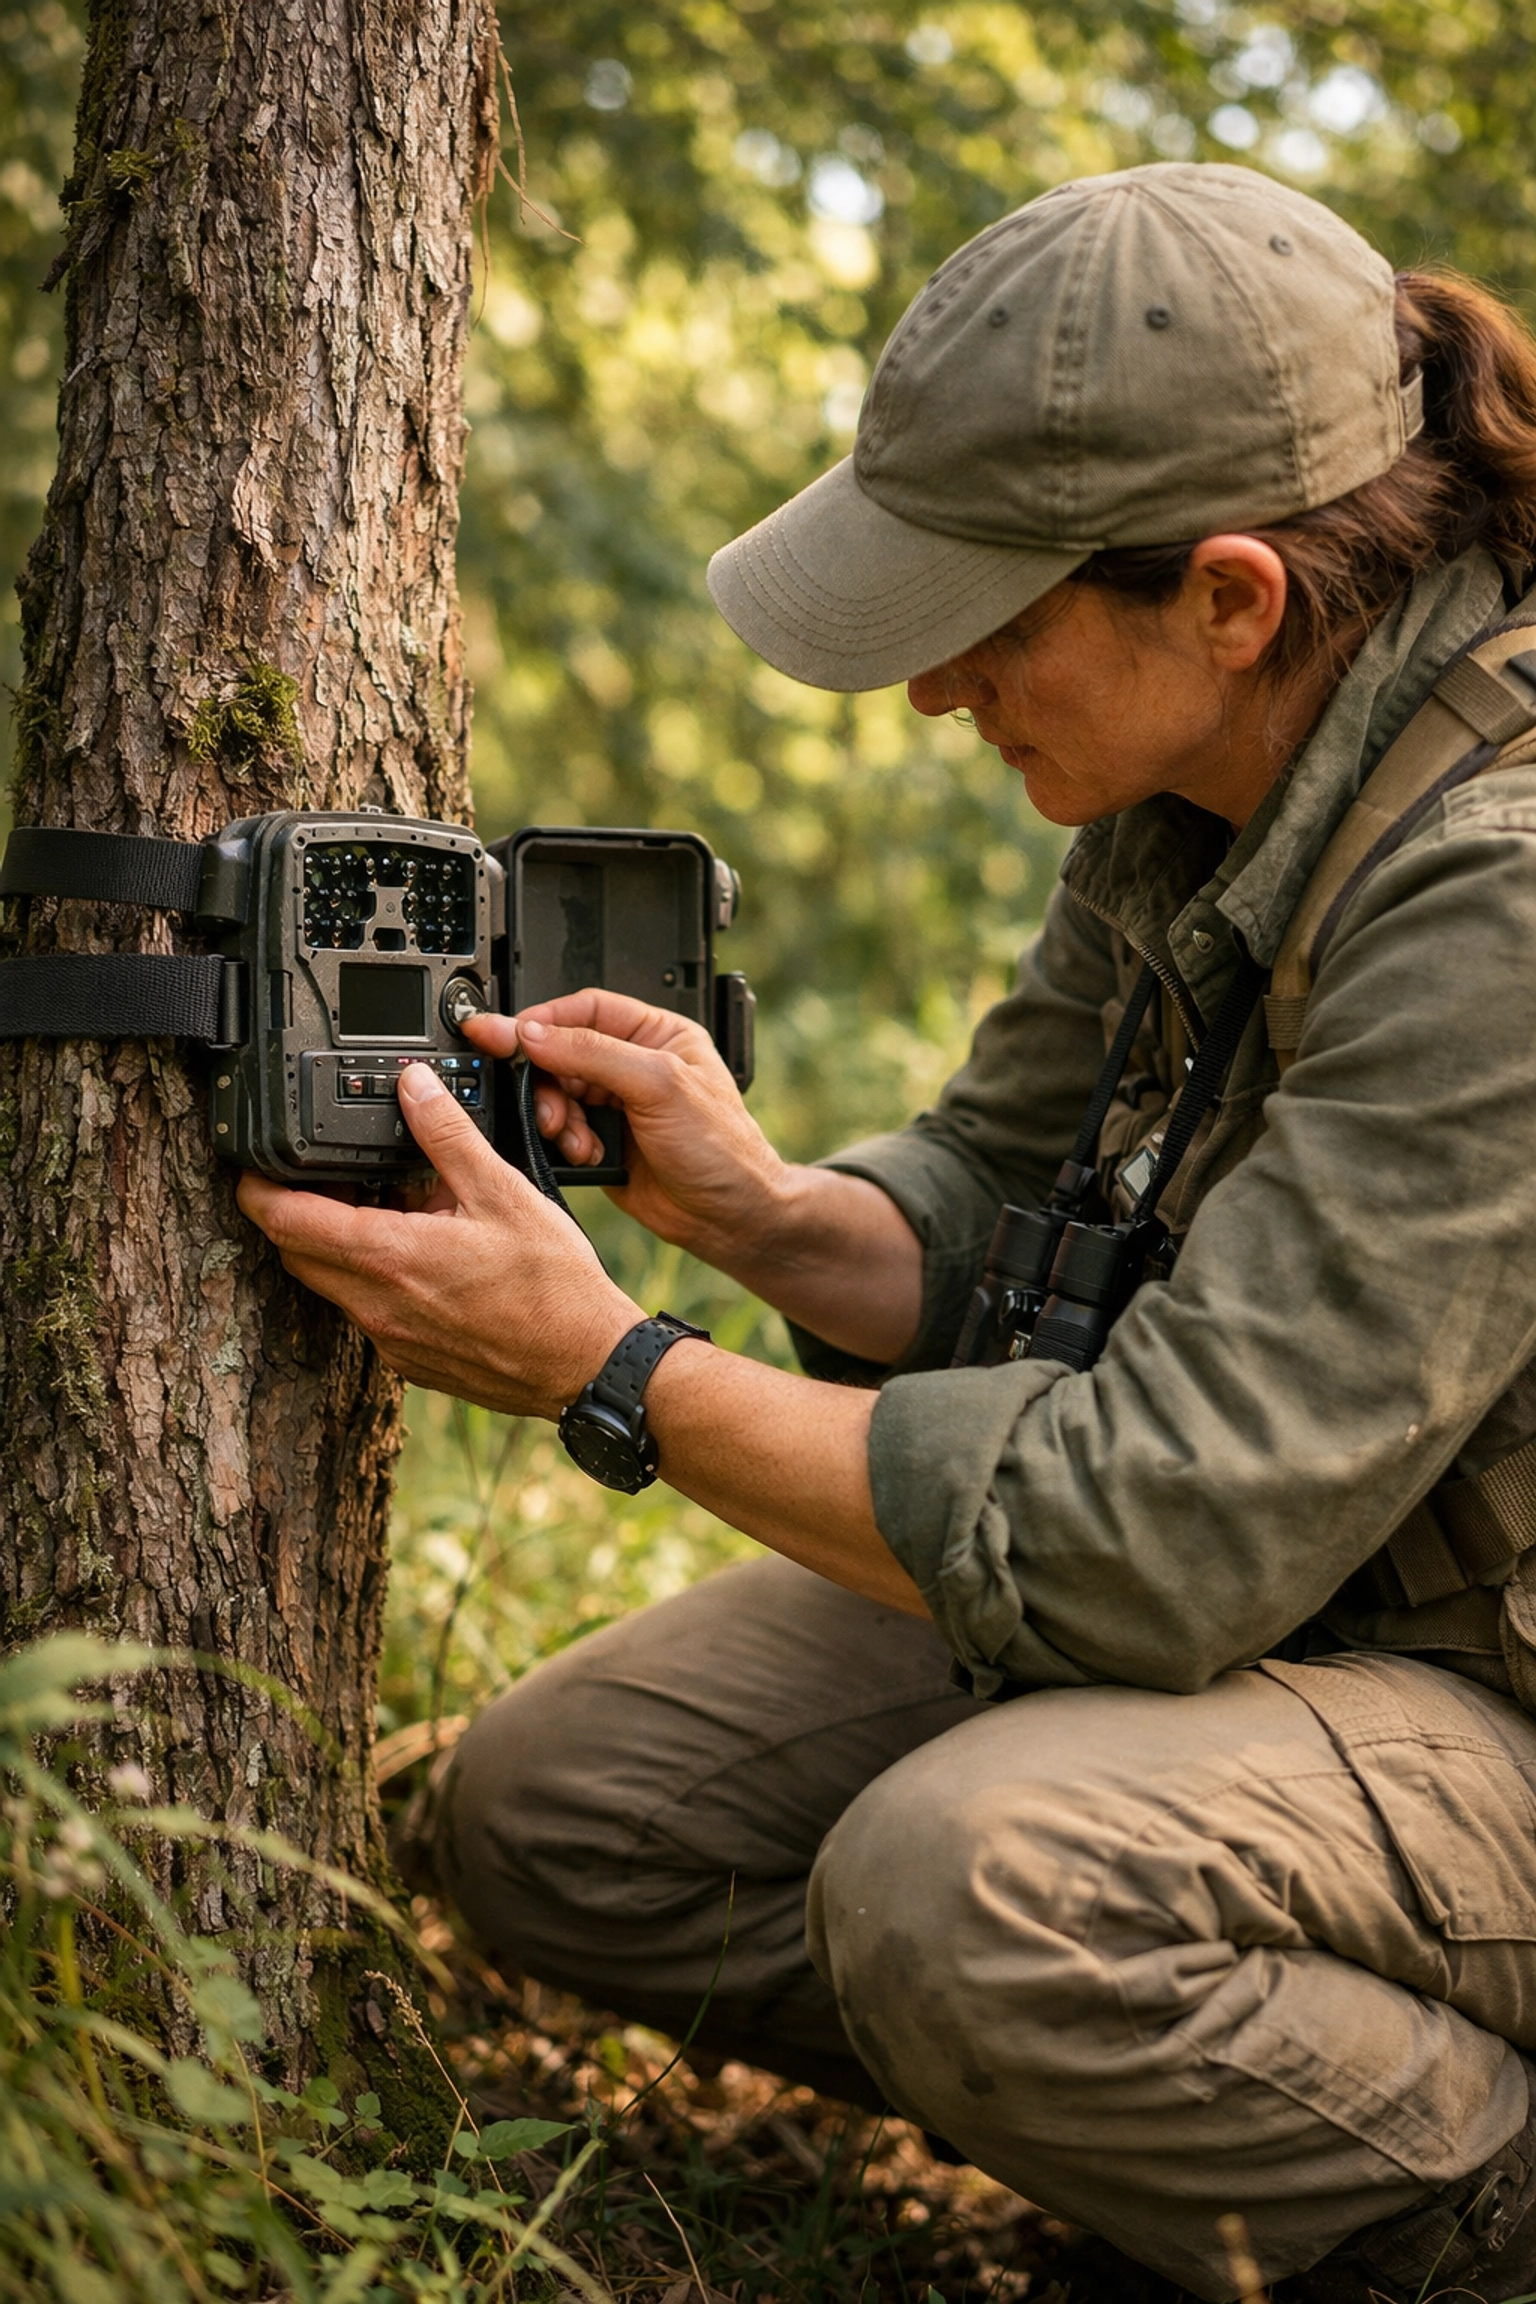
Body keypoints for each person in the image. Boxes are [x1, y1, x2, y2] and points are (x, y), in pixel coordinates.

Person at [239, 163, 1536, 2301]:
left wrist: (611, 1366)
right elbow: (1010, 1178)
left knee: (974, 1893)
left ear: (1228, 596)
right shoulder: (1200, 766)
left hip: (1473, 1683)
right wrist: (756, 1211)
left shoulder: (1492, 884)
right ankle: (1213, 2117)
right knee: (569, 1816)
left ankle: (1445, 2216)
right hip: (1317, 1595)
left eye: (990, 625)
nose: (939, 691)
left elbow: (1151, 1549)